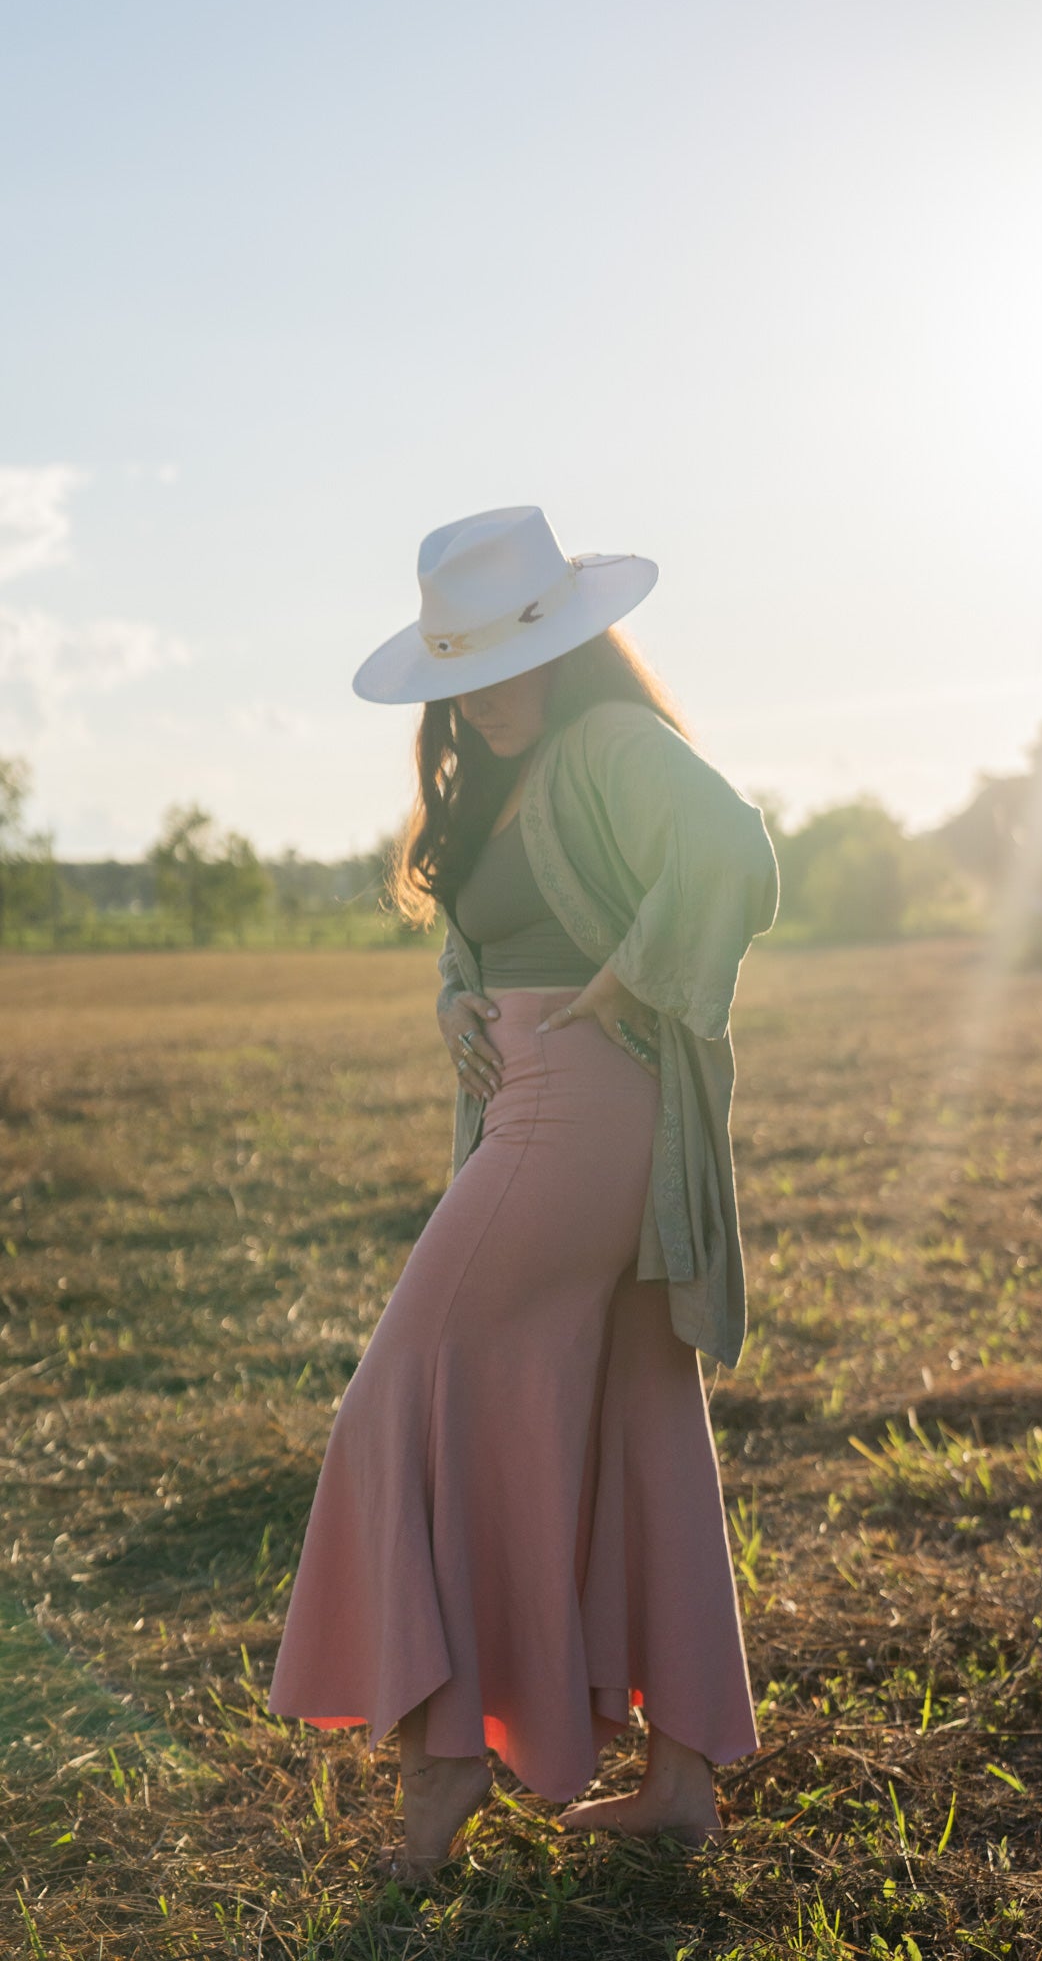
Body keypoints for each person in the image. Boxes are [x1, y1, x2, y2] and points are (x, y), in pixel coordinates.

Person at [266, 504, 780, 1881]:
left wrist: (632, 978)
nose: (479, 695)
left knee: (408, 1385)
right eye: (458, 674)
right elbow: (485, 931)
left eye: (504, 661)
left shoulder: (609, 741)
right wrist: (458, 1002)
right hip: (545, 1106)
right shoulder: (495, 775)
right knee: (639, 1419)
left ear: (565, 644)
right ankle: (680, 1783)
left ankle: (444, 1767)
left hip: (585, 1107)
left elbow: (733, 852)